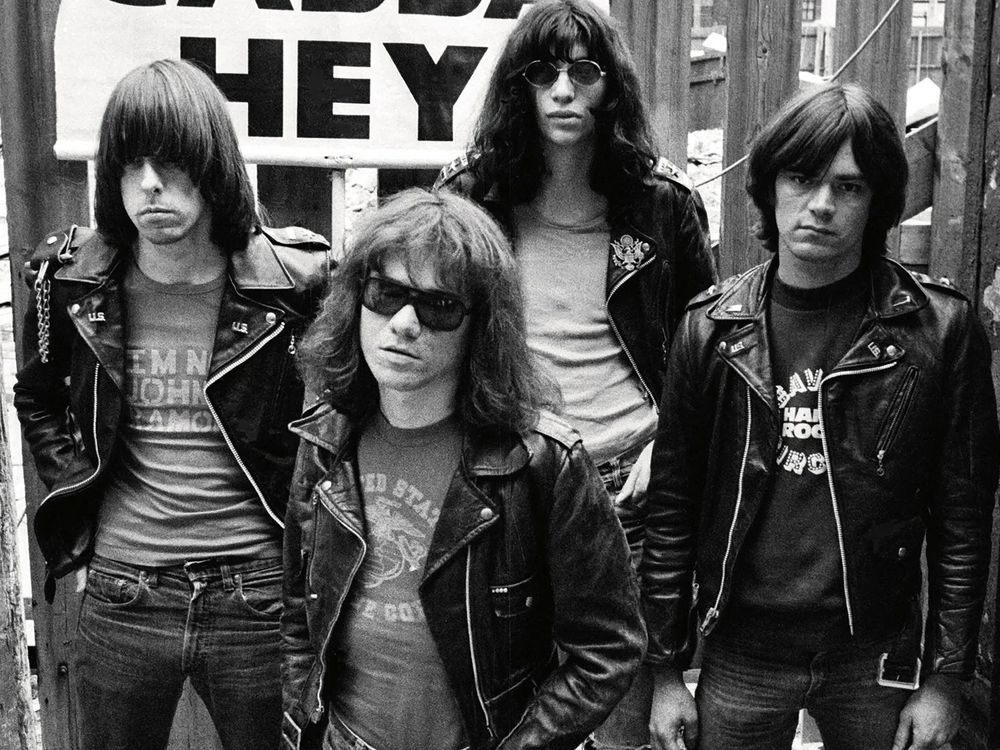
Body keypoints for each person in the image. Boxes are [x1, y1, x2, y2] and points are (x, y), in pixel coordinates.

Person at [642, 82, 1000, 750]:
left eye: (851, 187)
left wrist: (945, 679)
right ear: (769, 186)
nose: (822, 205)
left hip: (875, 654)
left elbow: (963, 521)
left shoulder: (940, 330)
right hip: (743, 649)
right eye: (801, 178)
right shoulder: (710, 330)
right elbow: (670, 511)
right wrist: (662, 670)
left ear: (879, 202)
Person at [14, 59, 330, 750]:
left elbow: (342, 413)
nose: (150, 186)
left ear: (212, 165)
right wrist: (79, 494)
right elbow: (36, 397)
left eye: (171, 163)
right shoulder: (71, 279)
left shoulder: (295, 283)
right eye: (130, 166)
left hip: (259, 591)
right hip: (126, 592)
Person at [434, 2, 715, 744]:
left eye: (583, 71)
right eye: (544, 72)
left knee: (620, 717)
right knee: (507, 713)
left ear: (609, 86)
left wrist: (671, 441)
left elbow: (705, 345)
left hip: (628, 484)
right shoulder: (472, 197)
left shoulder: (663, 204)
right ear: (518, 87)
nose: (564, 89)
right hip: (512, 481)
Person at [280, 188, 645, 750]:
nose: (403, 322)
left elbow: (608, 649)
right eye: (384, 293)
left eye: (439, 305)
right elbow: (299, 617)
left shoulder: (542, 463)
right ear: (356, 299)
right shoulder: (326, 441)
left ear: (481, 326)